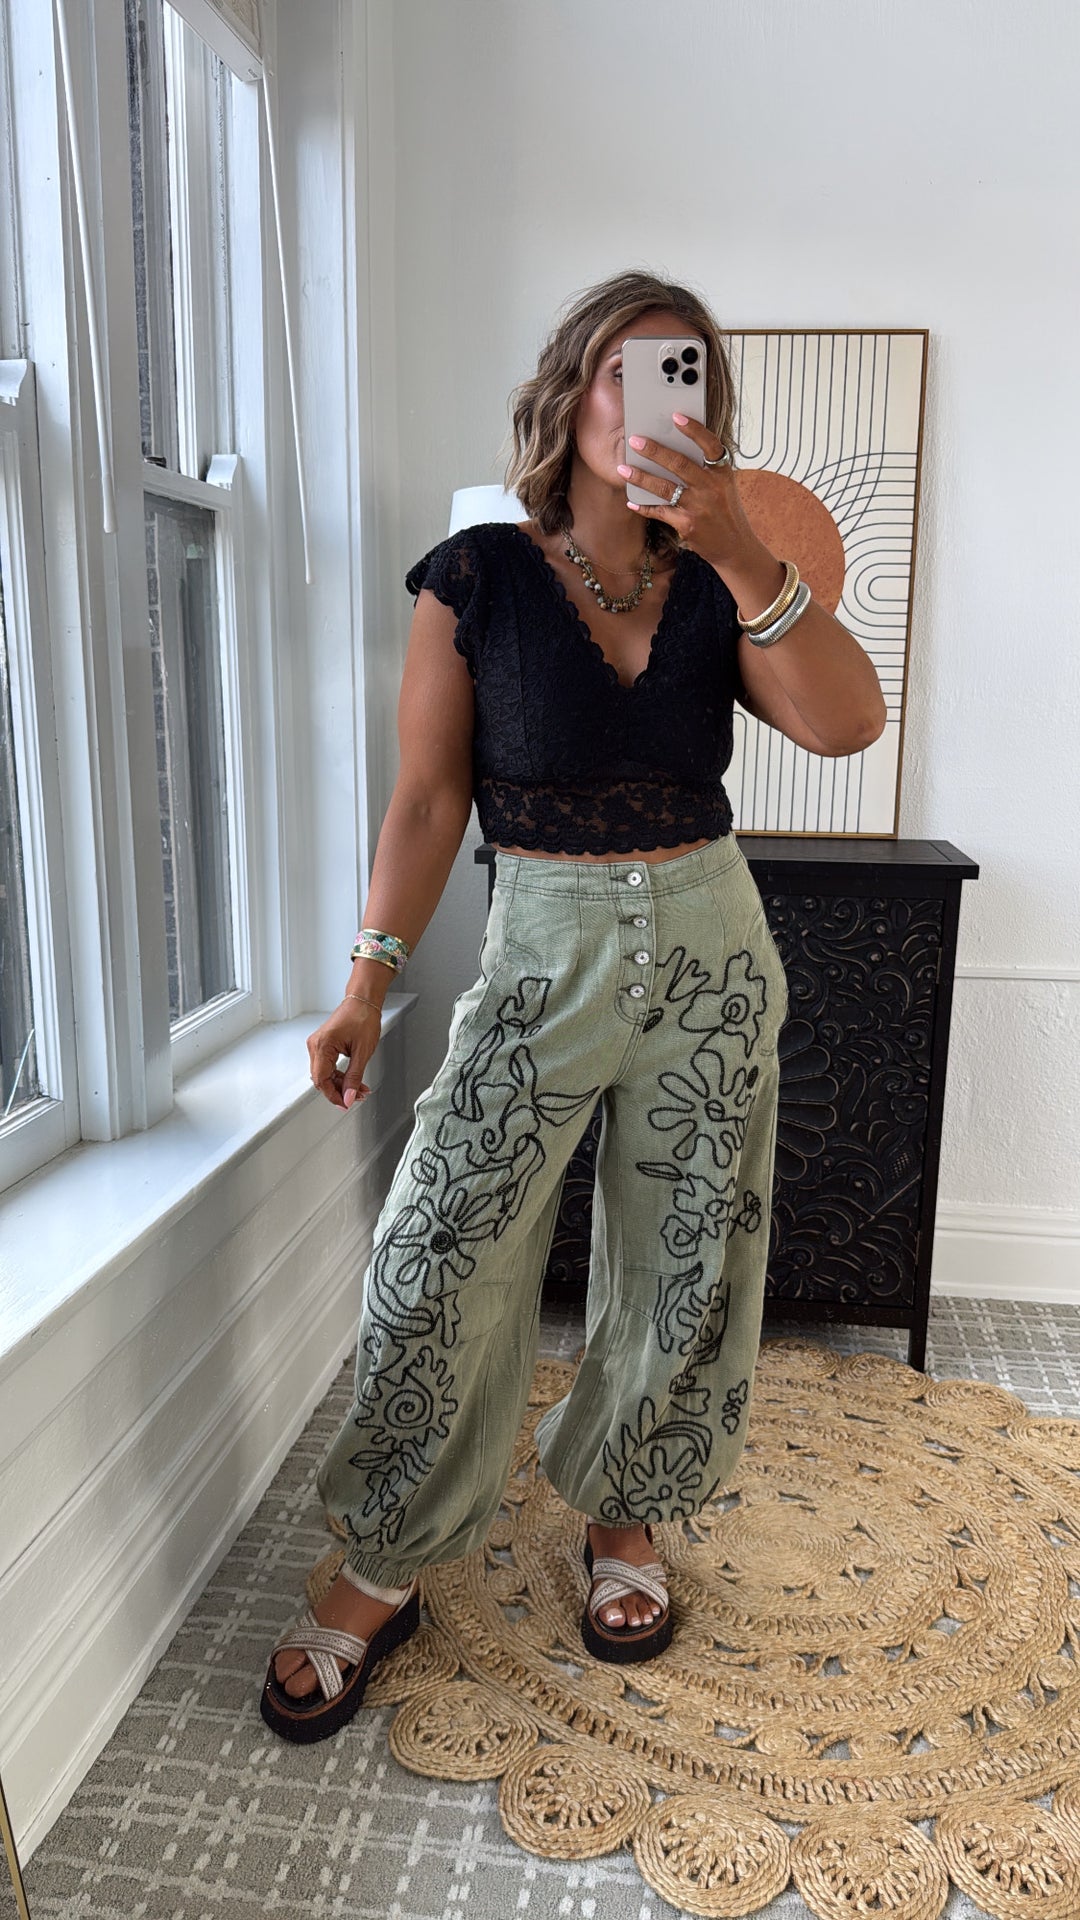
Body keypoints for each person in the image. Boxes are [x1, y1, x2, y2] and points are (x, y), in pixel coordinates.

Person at [260, 269, 886, 1742]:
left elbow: (847, 723)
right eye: (625, 369)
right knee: (438, 1246)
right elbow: (427, 802)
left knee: (683, 1255)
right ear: (570, 392)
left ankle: (625, 1511)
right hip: (541, 949)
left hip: (710, 949)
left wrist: (738, 545)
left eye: (684, 373)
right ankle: (387, 1557)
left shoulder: (724, 581)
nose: (653, 398)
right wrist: (365, 984)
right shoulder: (475, 576)